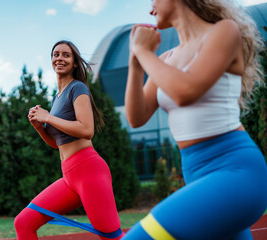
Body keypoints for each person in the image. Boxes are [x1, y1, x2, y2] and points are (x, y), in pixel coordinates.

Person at [123, 0, 267, 239]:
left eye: (153, 0)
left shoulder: (224, 31)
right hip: (196, 175)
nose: (150, 9)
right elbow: (137, 117)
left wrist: (144, 52)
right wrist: (135, 65)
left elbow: (186, 91)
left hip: (236, 173)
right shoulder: (167, 58)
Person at [14, 40, 125, 240]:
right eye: (56, 54)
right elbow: (57, 144)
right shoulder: (57, 98)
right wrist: (39, 127)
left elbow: (86, 129)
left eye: (66, 55)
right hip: (69, 176)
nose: (60, 58)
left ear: (74, 62)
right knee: (23, 222)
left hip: (89, 171)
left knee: (112, 237)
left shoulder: (78, 88)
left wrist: (48, 118)